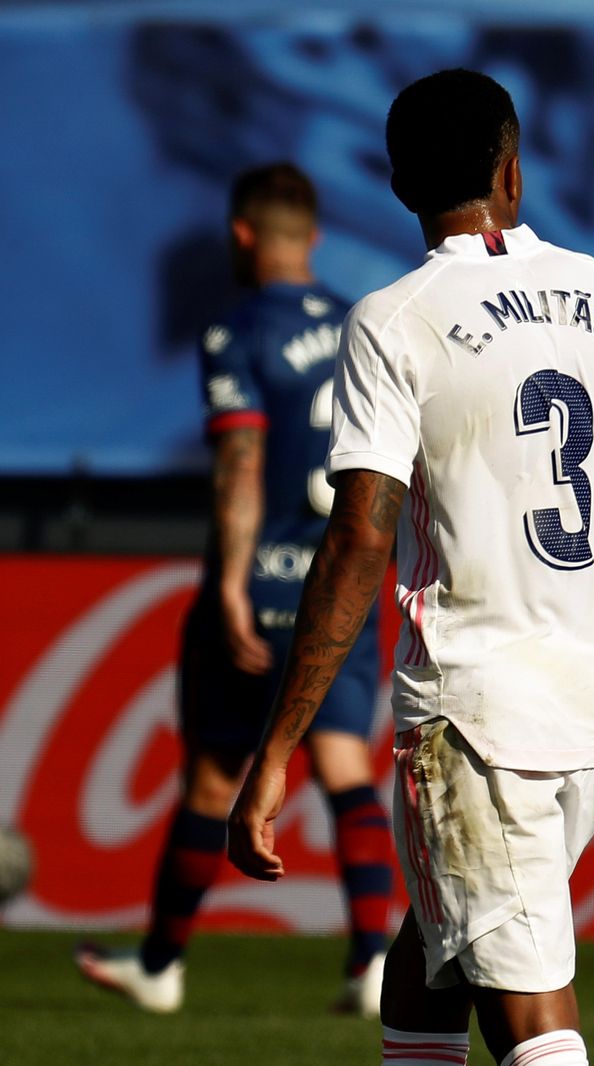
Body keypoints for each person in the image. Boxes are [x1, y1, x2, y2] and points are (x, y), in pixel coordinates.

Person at [224, 69, 594, 1066]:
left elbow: (361, 535)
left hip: (476, 720)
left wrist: (279, 748)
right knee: (437, 941)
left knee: (530, 1015)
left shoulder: (394, 317)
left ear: (396, 185)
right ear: (513, 172)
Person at [75, 163, 393, 1017]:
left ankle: (162, 965)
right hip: (344, 580)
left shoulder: (236, 328)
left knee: (216, 778)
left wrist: (228, 583)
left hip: (262, 582)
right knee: (343, 763)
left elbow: (242, 463)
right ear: (313, 236)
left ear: (242, 235)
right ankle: (371, 960)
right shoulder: (367, 326)